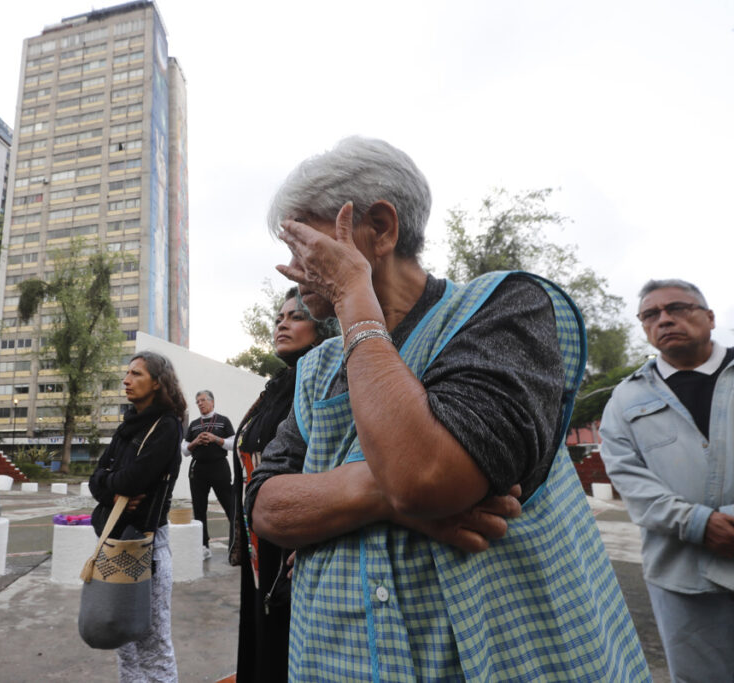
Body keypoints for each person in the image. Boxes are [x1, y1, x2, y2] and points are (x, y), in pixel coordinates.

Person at [245, 137, 649, 681]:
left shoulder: (505, 306)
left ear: (381, 228)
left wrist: (352, 296)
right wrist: (378, 493)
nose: (290, 267)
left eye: (304, 242)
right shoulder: (317, 368)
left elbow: (425, 476)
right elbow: (266, 507)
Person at [599, 279, 734, 682]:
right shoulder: (625, 398)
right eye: (651, 314)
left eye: (678, 307)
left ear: (709, 317)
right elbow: (626, 474)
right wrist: (696, 523)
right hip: (680, 576)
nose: (665, 319)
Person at [230, 289, 338, 682]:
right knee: (260, 636)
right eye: (279, 317)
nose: (281, 323)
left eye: (295, 316)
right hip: (261, 543)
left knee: (285, 643)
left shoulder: (326, 380)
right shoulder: (277, 387)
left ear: (323, 324)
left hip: (296, 545)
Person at [88, 351, 185, 682]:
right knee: (123, 643)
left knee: (152, 644)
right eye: (126, 373)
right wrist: (109, 488)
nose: (126, 380)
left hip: (146, 547)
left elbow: (131, 481)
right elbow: (95, 478)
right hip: (112, 543)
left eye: (136, 374)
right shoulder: (128, 425)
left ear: (157, 382)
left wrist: (109, 483)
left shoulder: (167, 426)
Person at [182, 390, 235, 558]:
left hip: (219, 467)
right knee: (199, 509)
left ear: (212, 402)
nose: (200, 403)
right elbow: (184, 450)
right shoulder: (194, 424)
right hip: (198, 469)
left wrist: (215, 439)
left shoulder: (223, 421)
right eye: (197, 401)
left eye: (203, 400)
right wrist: (196, 442)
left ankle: (235, 545)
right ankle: (203, 546)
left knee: (230, 506)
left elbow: (234, 444)